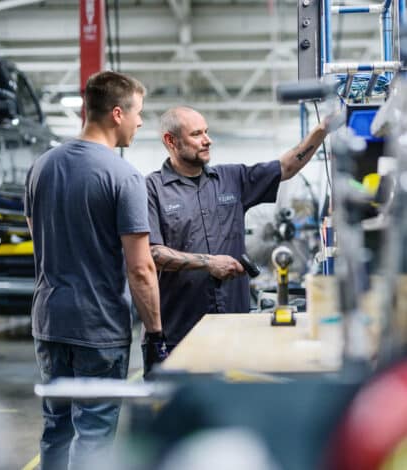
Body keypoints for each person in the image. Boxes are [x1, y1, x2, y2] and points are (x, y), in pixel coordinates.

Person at [24, 71, 167, 470]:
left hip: (49, 322)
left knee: (56, 429)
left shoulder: (40, 168)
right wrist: (154, 335)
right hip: (98, 329)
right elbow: (141, 269)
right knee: (95, 435)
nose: (141, 122)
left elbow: (40, 242)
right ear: (117, 113)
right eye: (138, 113)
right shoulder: (124, 177)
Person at [146, 106, 329, 350]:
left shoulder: (232, 179)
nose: (207, 140)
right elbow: (151, 254)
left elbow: (286, 167)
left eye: (207, 132)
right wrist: (208, 263)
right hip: (180, 331)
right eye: (197, 134)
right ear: (171, 141)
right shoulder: (152, 188)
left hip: (235, 325)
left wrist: (321, 130)